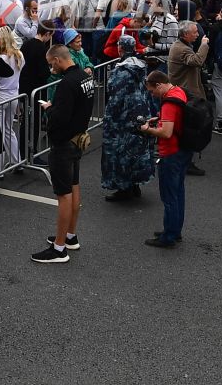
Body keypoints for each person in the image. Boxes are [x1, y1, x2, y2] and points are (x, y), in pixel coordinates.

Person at [32, 43, 94, 262]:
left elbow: (60, 117)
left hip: (64, 143)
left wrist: (50, 108)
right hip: (78, 139)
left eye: (51, 64)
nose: (51, 69)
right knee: (74, 186)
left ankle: (59, 249)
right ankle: (70, 236)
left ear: (58, 60)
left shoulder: (67, 83)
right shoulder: (86, 77)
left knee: (64, 194)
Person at [100, 36, 155, 202]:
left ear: (120, 48)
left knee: (120, 153)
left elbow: (115, 97)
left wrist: (110, 119)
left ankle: (124, 188)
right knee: (137, 150)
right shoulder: (141, 67)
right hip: (140, 114)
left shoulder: (122, 71)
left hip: (122, 119)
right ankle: (135, 185)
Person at [141, 69, 190, 248]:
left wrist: (147, 130)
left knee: (169, 196)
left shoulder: (168, 103)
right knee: (178, 192)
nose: (152, 95)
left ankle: (168, 236)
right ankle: (174, 230)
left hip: (171, 153)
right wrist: (159, 118)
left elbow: (166, 133)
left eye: (153, 91)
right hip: (183, 150)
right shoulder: (179, 91)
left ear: (159, 85)